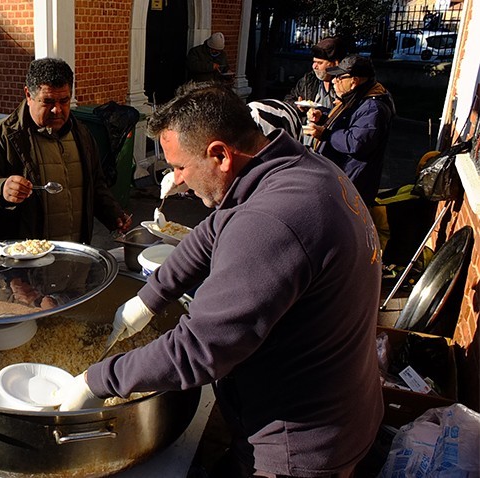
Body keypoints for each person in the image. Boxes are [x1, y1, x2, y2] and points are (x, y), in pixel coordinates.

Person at [59, 83, 383, 478]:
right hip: (336, 406)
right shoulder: (294, 166)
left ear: (220, 155)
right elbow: (211, 232)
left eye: (179, 166)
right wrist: (149, 298)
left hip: (298, 445)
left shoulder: (271, 221)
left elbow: (199, 350)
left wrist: (97, 380)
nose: (176, 181)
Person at [0, 57, 132, 242]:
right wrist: (1, 189)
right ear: (28, 95)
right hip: (24, 257)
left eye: (64, 101)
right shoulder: (0, 135)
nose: (57, 110)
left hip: (74, 252)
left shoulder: (82, 133)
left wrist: (113, 213)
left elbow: (96, 184)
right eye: (48, 102)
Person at [304, 55, 395, 206]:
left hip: (351, 183)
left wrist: (326, 134)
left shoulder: (374, 108)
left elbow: (356, 142)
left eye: (339, 78)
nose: (333, 81)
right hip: (340, 177)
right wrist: (323, 117)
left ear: (354, 81)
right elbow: (349, 119)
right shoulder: (360, 97)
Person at [284, 36, 347, 146]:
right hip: (307, 144)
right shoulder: (309, 80)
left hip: (330, 146)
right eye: (314, 62)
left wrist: (322, 115)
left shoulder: (344, 85)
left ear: (335, 64)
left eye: (320, 63)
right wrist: (299, 107)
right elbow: (288, 100)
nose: (314, 66)